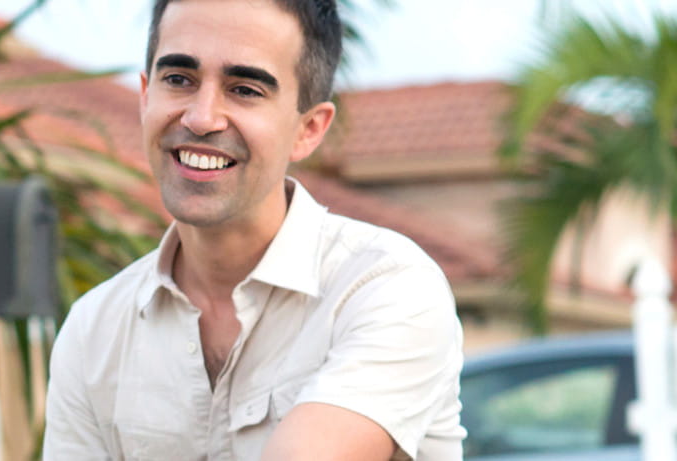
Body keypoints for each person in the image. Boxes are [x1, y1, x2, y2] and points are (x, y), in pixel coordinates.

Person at [42, 0, 466, 459]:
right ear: (146, 97)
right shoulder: (95, 328)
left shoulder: (385, 288)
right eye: (179, 80)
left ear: (309, 129)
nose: (201, 118)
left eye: (244, 89)